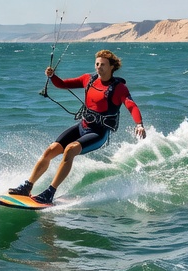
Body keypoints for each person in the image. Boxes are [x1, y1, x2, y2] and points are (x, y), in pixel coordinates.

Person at [9, 50, 146, 204]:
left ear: (112, 67)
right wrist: (52, 76)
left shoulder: (119, 88)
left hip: (98, 133)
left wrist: (139, 124)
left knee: (70, 150)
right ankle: (27, 186)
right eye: (97, 64)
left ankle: (49, 193)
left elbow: (131, 105)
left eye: (103, 65)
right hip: (82, 126)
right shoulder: (88, 79)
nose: (98, 67)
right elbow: (62, 84)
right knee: (51, 150)